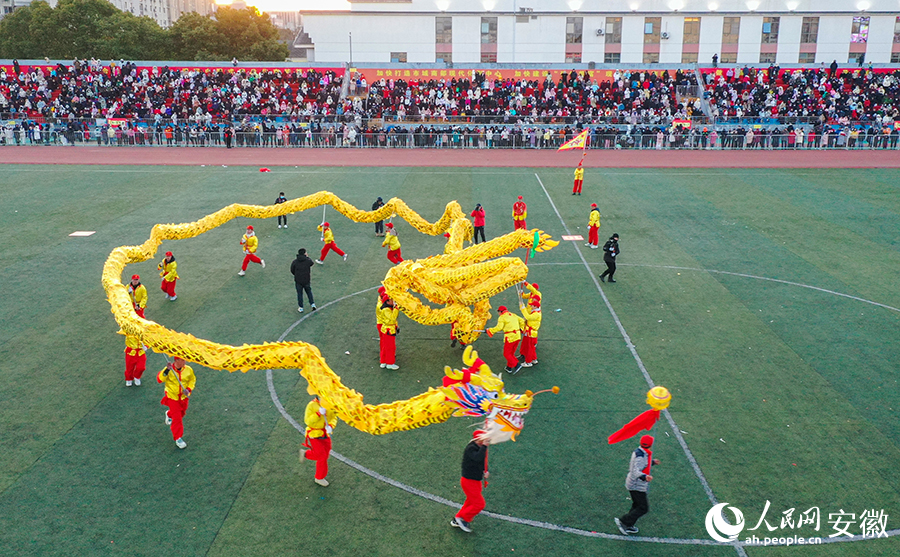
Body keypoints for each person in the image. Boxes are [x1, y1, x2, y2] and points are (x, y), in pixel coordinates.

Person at [615, 435, 660, 535]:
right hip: (636, 486)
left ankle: (629, 525)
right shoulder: (641, 456)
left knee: (637, 505)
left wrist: (652, 462)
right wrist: (645, 477)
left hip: (635, 484)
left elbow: (643, 464)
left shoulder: (641, 452)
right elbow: (635, 471)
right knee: (643, 508)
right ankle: (624, 521)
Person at [451, 430, 490, 533]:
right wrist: (485, 446)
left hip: (475, 480)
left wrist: (484, 472)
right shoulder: (471, 449)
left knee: (471, 501)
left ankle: (457, 518)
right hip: (469, 481)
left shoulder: (478, 447)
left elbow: (482, 461)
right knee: (479, 504)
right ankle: (463, 518)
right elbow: (478, 458)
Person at [157, 357, 196, 450]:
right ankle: (178, 438)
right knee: (177, 419)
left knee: (182, 413)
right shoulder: (169, 369)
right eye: (182, 360)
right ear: (176, 361)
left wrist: (189, 389)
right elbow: (160, 379)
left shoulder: (188, 369)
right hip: (172, 397)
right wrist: (167, 370)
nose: (184, 361)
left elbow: (192, 380)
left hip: (183, 398)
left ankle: (169, 414)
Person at [302, 394, 337, 486]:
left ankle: (305, 454)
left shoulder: (330, 404)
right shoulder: (311, 405)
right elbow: (307, 421)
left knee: (326, 451)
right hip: (314, 435)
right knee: (322, 456)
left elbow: (334, 417)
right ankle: (319, 477)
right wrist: (318, 414)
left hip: (325, 433)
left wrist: (331, 425)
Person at [487, 305, 525, 374]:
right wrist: (521, 329)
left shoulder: (502, 318)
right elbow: (522, 321)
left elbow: (499, 328)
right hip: (517, 336)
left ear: (500, 312)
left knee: (507, 354)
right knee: (511, 353)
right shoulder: (513, 315)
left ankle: (516, 365)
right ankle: (509, 367)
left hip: (510, 338)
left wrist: (490, 330)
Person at [290, 248, 316, 313]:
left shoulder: (295, 262)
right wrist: (307, 257)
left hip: (298, 280)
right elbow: (312, 263)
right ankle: (312, 304)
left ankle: (301, 307)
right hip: (306, 279)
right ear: (305, 253)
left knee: (299, 294)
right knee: (309, 291)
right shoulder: (307, 261)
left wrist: (296, 275)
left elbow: (292, 270)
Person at [377, 296, 400, 370]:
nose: (393, 301)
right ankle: (390, 363)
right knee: (390, 347)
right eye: (391, 300)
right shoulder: (386, 310)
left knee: (385, 346)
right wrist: (396, 309)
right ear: (387, 302)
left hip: (386, 330)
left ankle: (383, 361)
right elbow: (392, 318)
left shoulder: (386, 308)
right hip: (389, 330)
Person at [518, 295, 541, 367]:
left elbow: (528, 317)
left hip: (531, 333)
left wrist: (522, 308)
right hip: (529, 332)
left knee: (529, 348)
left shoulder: (536, 314)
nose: (531, 307)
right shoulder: (535, 312)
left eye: (532, 306)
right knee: (528, 346)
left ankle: (528, 362)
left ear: (535, 307)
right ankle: (533, 359)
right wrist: (522, 305)